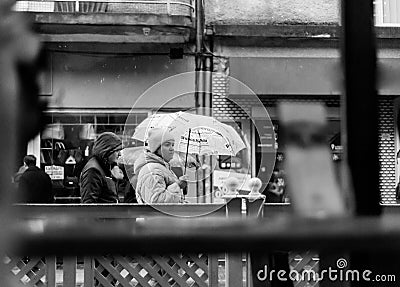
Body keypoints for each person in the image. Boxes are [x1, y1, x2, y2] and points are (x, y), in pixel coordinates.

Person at [134, 128, 187, 203]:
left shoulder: (162, 167)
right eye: (167, 145)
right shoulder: (153, 170)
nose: (172, 149)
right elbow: (157, 202)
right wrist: (177, 185)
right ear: (156, 148)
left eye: (173, 145)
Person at [80, 132, 122, 203]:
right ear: (107, 151)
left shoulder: (103, 166)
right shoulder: (93, 170)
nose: (120, 154)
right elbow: (88, 205)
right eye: (117, 151)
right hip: (103, 214)